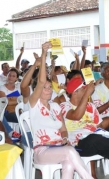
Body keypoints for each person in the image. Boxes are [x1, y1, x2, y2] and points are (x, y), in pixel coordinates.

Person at [29, 41, 93, 179]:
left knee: (69, 163)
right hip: (42, 150)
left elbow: (63, 129)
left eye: (49, 87)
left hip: (59, 148)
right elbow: (40, 82)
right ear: (37, 90)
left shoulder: (56, 106)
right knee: (70, 152)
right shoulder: (34, 105)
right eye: (44, 88)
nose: (48, 89)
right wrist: (44, 54)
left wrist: (64, 138)